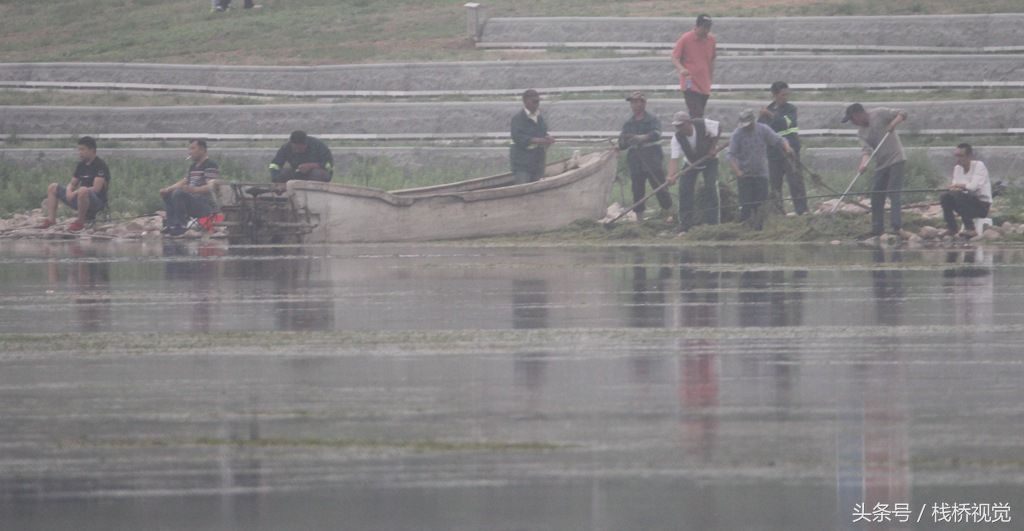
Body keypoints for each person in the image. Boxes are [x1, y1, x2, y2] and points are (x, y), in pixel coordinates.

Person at [842, 103, 908, 237]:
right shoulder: (861, 132)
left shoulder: (879, 113)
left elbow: (903, 113)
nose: (853, 122)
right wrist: (863, 164)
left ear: (859, 114)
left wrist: (893, 124)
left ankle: (896, 226)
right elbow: (866, 151)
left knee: (894, 193)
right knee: (876, 196)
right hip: (881, 164)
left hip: (896, 159)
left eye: (853, 119)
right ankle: (877, 229)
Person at [727, 109, 793, 229]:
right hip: (745, 175)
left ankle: (759, 229)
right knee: (746, 205)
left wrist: (787, 147)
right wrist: (738, 171)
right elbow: (731, 155)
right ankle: (745, 228)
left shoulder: (763, 129)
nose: (747, 127)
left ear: (753, 121)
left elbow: (778, 140)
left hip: (761, 174)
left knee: (760, 205)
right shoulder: (737, 134)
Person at [36, 136, 110, 232]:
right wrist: (68, 191)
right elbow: (72, 183)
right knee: (53, 187)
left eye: (83, 149)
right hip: (81, 199)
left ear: (92, 150)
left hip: (97, 202)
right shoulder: (81, 165)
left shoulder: (100, 165)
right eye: (79, 150)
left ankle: (80, 222)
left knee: (83, 189)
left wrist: (75, 192)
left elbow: (96, 189)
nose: (80, 152)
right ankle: (51, 220)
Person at [618, 91, 672, 221]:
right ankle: (640, 219)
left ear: (643, 103)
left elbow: (656, 134)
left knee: (659, 186)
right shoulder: (628, 123)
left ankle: (669, 214)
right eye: (632, 102)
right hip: (635, 159)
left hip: (651, 157)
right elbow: (621, 143)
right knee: (637, 189)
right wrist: (626, 140)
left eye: (637, 102)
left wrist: (641, 137)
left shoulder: (652, 119)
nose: (634, 105)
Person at [759, 81, 807, 215]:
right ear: (774, 95)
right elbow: (761, 129)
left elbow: (786, 123)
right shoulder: (767, 111)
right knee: (775, 184)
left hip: (790, 150)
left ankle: (802, 211)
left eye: (787, 94)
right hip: (773, 153)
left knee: (796, 182)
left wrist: (770, 115)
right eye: (783, 95)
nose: (786, 97)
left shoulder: (791, 109)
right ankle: (778, 213)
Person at [667, 110, 720, 232]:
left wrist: (713, 147)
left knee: (710, 187)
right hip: (691, 163)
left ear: (689, 122)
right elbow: (674, 159)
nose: (679, 128)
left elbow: (718, 128)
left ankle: (713, 224)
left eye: (681, 125)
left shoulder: (703, 124)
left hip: (709, 161)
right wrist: (671, 176)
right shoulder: (677, 138)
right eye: (677, 126)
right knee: (684, 189)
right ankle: (685, 224)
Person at [160, 139, 220, 236]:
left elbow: (211, 186)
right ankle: (171, 225)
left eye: (192, 148)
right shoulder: (193, 166)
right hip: (192, 200)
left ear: (202, 150)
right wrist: (167, 189)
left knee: (178, 193)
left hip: (204, 204)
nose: (189, 152)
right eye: (189, 149)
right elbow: (184, 181)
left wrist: (194, 190)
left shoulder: (210, 165)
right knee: (169, 194)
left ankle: (181, 225)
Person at [939, 143, 992, 238]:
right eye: (956, 156)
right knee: (945, 196)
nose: (958, 159)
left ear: (969, 156)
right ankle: (952, 228)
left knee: (959, 194)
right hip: (964, 204)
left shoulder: (979, 166)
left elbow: (973, 187)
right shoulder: (957, 168)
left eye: (961, 156)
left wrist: (957, 186)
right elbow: (954, 188)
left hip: (981, 206)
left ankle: (970, 229)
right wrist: (954, 187)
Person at [671, 14, 716, 118]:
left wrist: (710, 77)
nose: (706, 30)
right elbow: (674, 57)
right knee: (696, 113)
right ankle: (699, 133)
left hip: (704, 84)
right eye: (704, 27)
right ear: (697, 26)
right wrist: (681, 69)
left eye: (708, 27)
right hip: (689, 83)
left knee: (698, 114)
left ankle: (694, 132)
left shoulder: (712, 40)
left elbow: (712, 59)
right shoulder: (686, 38)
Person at [510, 89, 555, 184]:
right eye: (534, 102)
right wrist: (540, 141)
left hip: (537, 163)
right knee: (522, 192)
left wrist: (548, 138)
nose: (537, 104)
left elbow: (542, 133)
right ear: (525, 102)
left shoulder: (539, 117)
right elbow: (519, 138)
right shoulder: (517, 119)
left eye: (538, 101)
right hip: (522, 165)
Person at [269, 130, 334, 183]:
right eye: (295, 149)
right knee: (285, 172)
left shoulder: (318, 146)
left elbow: (328, 165)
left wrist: (311, 166)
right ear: (291, 144)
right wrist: (276, 178)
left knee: (316, 173)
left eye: (300, 149)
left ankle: (314, 194)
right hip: (297, 174)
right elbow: (275, 164)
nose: (297, 151)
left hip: (317, 176)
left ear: (306, 144)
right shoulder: (286, 148)